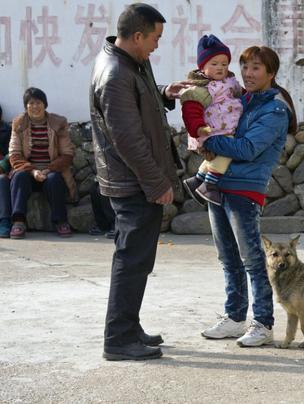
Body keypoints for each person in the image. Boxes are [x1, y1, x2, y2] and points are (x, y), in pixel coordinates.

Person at [89, 3, 190, 361]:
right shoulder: (115, 74)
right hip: (132, 183)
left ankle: (129, 327)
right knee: (131, 259)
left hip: (135, 181)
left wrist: (164, 92)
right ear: (136, 36)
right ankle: (118, 339)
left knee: (138, 258)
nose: (157, 46)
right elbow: (128, 140)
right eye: (155, 39)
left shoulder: (131, 62)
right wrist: (156, 183)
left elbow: (141, 100)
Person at [198, 45, 297, 347]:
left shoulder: (275, 109)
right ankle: (234, 317)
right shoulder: (242, 99)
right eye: (244, 67)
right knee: (228, 258)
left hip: (244, 190)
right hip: (219, 185)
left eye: (256, 67)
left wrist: (209, 140)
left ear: (271, 73)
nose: (248, 73)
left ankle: (263, 323)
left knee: (253, 260)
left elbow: (247, 148)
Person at [0, 88, 76, 239]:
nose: (35, 106)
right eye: (31, 103)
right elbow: (14, 155)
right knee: (19, 176)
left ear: (45, 104)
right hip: (28, 172)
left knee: (55, 179)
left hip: (50, 171)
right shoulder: (19, 124)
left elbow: (67, 154)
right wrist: (33, 171)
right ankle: (18, 222)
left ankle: (60, 221)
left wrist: (47, 170)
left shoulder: (58, 123)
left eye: (38, 102)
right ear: (25, 106)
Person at [181, 34, 243, 205]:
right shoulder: (204, 87)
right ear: (202, 67)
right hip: (212, 130)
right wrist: (198, 128)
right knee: (227, 154)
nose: (220, 68)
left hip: (225, 128)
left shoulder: (229, 81)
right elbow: (191, 107)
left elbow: (242, 94)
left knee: (215, 159)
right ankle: (209, 184)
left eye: (224, 64)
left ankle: (197, 180)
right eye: (214, 64)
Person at [0, 104, 12, 237]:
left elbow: (13, 152)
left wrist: (3, 164)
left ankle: (4, 221)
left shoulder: (7, 130)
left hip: (3, 168)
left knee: (2, 180)